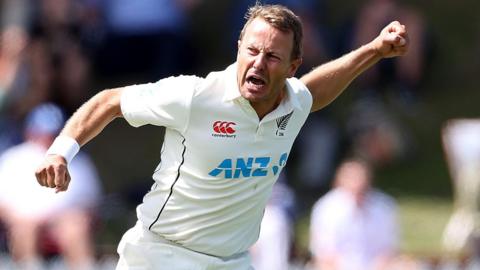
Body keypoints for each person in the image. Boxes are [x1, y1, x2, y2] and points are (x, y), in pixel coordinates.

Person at [35, 3, 409, 269]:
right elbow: (109, 101)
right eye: (252, 51)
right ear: (239, 49)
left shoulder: (293, 103)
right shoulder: (196, 96)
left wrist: (374, 50)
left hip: (233, 261)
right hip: (163, 255)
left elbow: (315, 92)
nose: (258, 63)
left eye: (273, 57)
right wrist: (60, 152)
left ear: (293, 66)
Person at [0, 103, 101, 269]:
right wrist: (21, 218)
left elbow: (90, 203)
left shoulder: (78, 160)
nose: (47, 138)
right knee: (25, 228)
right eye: (43, 133)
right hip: (24, 221)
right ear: (30, 131)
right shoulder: (13, 159)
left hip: (64, 222)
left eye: (53, 134)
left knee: (75, 228)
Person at [309, 159, 399, 270]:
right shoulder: (326, 208)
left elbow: (387, 251)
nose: (356, 183)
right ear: (339, 181)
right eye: (351, 178)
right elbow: (324, 255)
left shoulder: (384, 206)